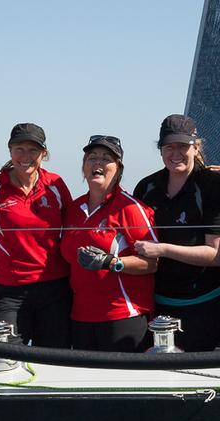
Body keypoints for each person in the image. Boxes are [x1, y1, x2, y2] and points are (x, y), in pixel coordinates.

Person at [133, 114, 220, 352]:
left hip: (204, 303)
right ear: (160, 150)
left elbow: (216, 254)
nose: (175, 153)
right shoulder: (146, 187)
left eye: (183, 146)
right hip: (158, 303)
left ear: (196, 147)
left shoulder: (212, 186)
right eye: (169, 147)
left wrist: (162, 250)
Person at [0, 123, 72, 347]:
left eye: (33, 150)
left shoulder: (55, 184)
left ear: (43, 154)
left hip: (55, 287)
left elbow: (74, 225)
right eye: (19, 149)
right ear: (10, 151)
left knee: (53, 358)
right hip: (10, 290)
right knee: (5, 356)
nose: (25, 156)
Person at [60, 135, 158, 352]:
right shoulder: (73, 210)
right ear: (84, 167)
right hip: (80, 317)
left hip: (122, 315)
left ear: (119, 169)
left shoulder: (131, 208)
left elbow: (152, 263)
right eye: (92, 158)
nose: (98, 163)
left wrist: (112, 262)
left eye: (106, 159)